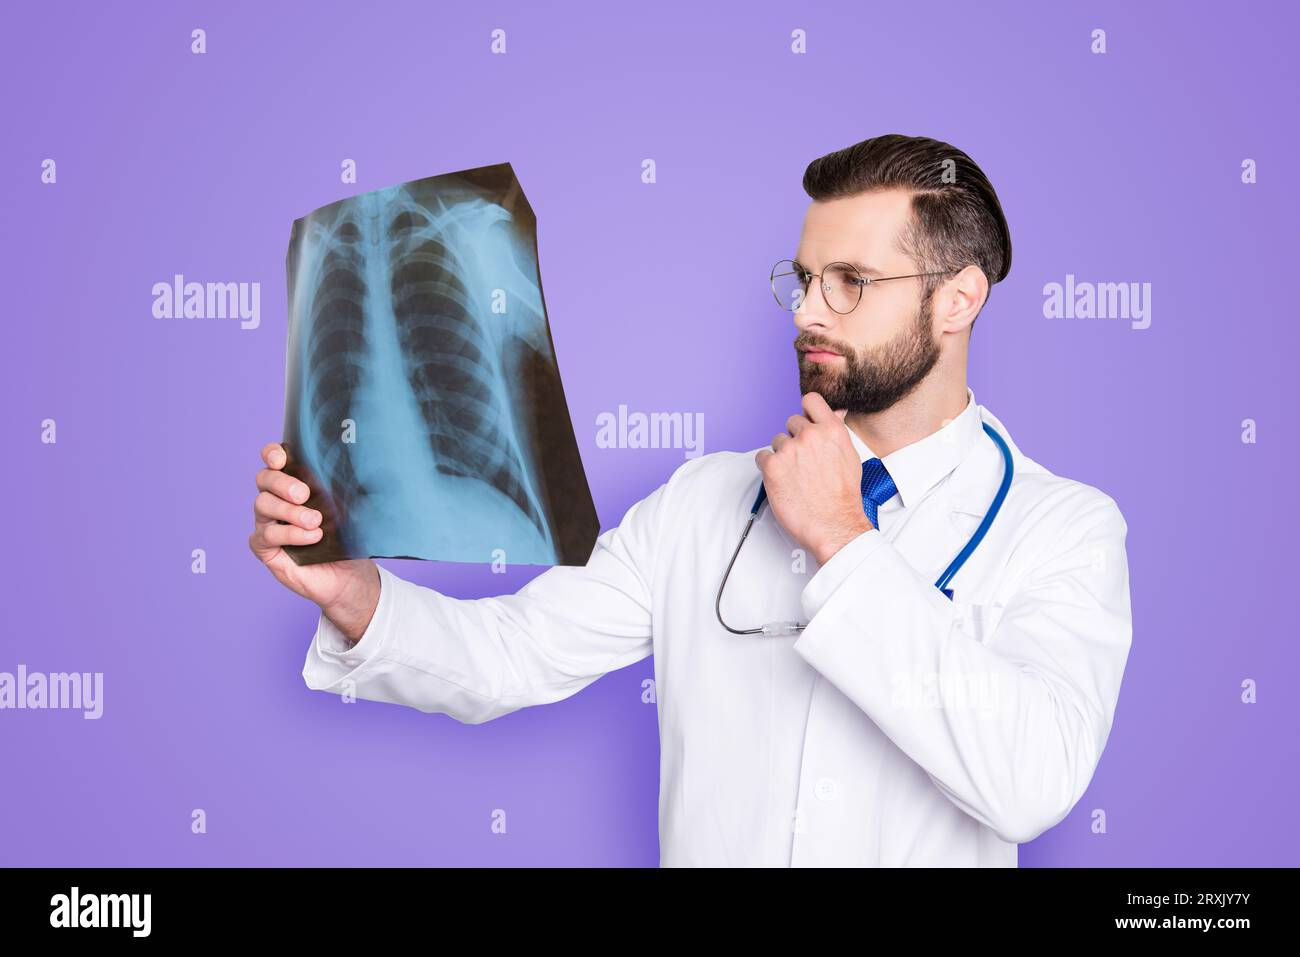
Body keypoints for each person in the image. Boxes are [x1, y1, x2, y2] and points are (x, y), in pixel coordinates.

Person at [248, 133, 1132, 867]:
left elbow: (1031, 783)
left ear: (959, 300)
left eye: (851, 283)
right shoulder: (705, 500)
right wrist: (359, 598)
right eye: (804, 277)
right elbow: (512, 655)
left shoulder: (1065, 528)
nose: (808, 313)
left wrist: (844, 541)